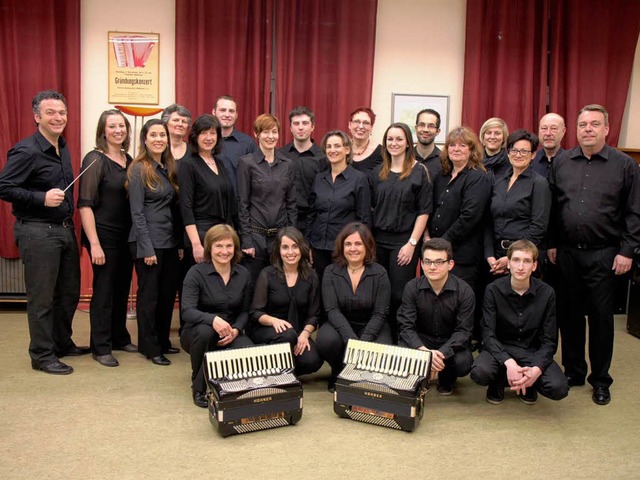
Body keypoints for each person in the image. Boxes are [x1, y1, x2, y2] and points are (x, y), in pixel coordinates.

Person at [548, 104, 640, 406]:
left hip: (605, 255)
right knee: (569, 316)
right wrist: (550, 244)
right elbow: (552, 208)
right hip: (567, 254)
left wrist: (628, 250)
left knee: (601, 320)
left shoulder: (625, 165)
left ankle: (600, 379)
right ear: (576, 129)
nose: (588, 129)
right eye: (583, 124)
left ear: (606, 129)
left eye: (594, 124)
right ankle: (575, 371)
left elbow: (634, 212)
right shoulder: (561, 162)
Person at [0, 90, 87, 375]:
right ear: (37, 116)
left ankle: (61, 343)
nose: (58, 117)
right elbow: (4, 186)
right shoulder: (26, 150)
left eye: (61, 112)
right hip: (37, 233)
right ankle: (41, 354)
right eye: (50, 113)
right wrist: (40, 198)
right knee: (42, 298)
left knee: (68, 293)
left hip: (63, 231)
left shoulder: (63, 147)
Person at [470, 240, 569, 405]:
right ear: (508, 264)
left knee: (559, 388)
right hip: (501, 349)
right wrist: (508, 363)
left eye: (527, 261)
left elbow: (549, 340)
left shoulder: (547, 293)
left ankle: (529, 382)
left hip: (531, 351)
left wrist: (536, 369)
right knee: (480, 372)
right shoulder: (493, 290)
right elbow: (487, 333)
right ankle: (499, 380)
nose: (521, 266)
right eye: (516, 260)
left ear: (534, 266)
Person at [78, 109, 137, 367]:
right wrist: (94, 243)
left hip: (127, 237)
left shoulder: (129, 159)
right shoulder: (95, 159)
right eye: (112, 126)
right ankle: (100, 346)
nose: (118, 130)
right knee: (103, 291)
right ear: (103, 131)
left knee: (122, 288)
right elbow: (85, 205)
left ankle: (118, 337)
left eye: (121, 126)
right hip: (103, 236)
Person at [181, 224, 254, 408]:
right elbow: (187, 311)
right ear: (209, 248)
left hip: (230, 332)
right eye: (219, 246)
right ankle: (199, 386)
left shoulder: (243, 274)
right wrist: (212, 320)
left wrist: (237, 330)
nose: (224, 251)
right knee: (206, 332)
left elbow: (246, 311)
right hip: (198, 333)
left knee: (247, 350)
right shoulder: (195, 273)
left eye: (229, 246)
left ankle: (226, 382)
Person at [127, 119, 181, 366]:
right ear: (145, 139)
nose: (159, 139)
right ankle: (149, 347)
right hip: (148, 243)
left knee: (167, 296)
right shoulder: (139, 168)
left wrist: (178, 243)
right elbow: (137, 213)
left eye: (163, 135)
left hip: (168, 242)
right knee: (150, 297)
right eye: (154, 135)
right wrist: (146, 248)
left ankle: (161, 340)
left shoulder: (166, 167)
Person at [371, 122, 431, 340]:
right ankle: (381, 337)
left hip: (404, 243)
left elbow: (423, 212)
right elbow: (371, 208)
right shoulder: (377, 172)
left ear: (408, 143)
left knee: (398, 294)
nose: (393, 143)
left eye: (399, 139)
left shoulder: (419, 172)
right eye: (390, 139)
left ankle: (400, 339)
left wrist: (412, 244)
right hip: (378, 242)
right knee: (379, 294)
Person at [316, 222, 392, 391]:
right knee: (325, 341)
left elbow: (380, 313)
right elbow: (331, 310)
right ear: (341, 247)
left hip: (372, 324)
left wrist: (362, 344)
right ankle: (338, 371)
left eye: (358, 243)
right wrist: (352, 340)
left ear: (368, 246)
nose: (353, 249)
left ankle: (362, 374)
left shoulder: (380, 273)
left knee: (383, 349)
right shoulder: (330, 271)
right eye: (348, 244)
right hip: (341, 323)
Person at [397, 238, 474, 395]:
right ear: (422, 264)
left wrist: (441, 353)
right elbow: (406, 326)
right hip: (422, 341)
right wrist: (424, 351)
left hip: (449, 342)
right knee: (400, 355)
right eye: (428, 261)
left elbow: (463, 331)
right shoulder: (412, 287)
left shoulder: (465, 291)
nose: (432, 267)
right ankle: (420, 373)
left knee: (463, 362)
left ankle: (446, 378)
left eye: (439, 262)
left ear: (450, 264)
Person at [249, 227, 323, 376]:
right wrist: (273, 321)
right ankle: (280, 373)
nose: (290, 252)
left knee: (313, 360)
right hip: (266, 330)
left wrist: (305, 334)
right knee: (287, 335)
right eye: (285, 247)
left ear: (301, 248)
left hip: (296, 332)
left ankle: (273, 370)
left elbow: (314, 314)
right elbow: (255, 312)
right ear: (278, 250)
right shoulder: (267, 274)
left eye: (295, 247)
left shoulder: (311, 276)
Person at [428, 127, 491, 291]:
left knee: (459, 300)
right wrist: (429, 238)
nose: (456, 149)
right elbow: (431, 209)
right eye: (452, 145)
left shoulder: (477, 177)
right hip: (437, 252)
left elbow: (470, 216)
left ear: (471, 151)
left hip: (463, 256)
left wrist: (442, 242)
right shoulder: (441, 177)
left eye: (463, 145)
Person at [237, 114, 297, 282]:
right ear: (256, 134)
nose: (270, 137)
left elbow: (291, 203)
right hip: (255, 237)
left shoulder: (288, 164)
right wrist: (246, 240)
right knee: (253, 284)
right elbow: (242, 204)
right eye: (265, 132)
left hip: (280, 237)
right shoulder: (246, 163)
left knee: (278, 284)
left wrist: (291, 236)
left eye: (274, 132)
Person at [484, 130, 551, 277]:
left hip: (523, 259)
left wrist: (511, 258)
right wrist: (489, 255)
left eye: (524, 151)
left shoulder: (539, 183)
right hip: (495, 257)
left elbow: (538, 227)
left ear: (533, 154)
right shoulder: (500, 181)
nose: (518, 155)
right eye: (514, 150)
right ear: (508, 152)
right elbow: (489, 221)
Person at [306, 130, 371, 281]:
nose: (332, 150)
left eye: (337, 146)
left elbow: (364, 219)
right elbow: (312, 213)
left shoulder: (359, 179)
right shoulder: (319, 178)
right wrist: (308, 244)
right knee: (320, 288)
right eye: (329, 147)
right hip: (318, 246)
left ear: (347, 149)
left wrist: (360, 247)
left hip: (345, 248)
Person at [178, 114, 237, 266]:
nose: (208, 137)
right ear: (195, 136)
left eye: (212, 133)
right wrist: (196, 245)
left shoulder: (220, 162)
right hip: (201, 236)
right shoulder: (188, 164)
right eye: (203, 133)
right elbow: (186, 206)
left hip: (222, 235)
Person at [280, 106, 327, 232]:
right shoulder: (280, 155)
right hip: (284, 219)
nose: (300, 127)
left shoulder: (323, 157)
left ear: (312, 127)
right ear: (290, 128)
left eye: (305, 123)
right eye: (296, 123)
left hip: (313, 220)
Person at [212, 95, 258, 191]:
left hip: (238, 204)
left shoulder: (247, 143)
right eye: (223, 110)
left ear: (236, 115)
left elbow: (256, 178)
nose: (227, 114)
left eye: (231, 111)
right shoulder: (205, 142)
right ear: (214, 112)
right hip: (211, 203)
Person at [348, 107, 382, 175]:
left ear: (371, 127)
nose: (361, 126)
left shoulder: (382, 153)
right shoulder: (341, 149)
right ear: (350, 125)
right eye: (357, 122)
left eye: (366, 123)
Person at [532, 113, 566, 179]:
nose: (548, 133)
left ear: (563, 131)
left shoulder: (571, 163)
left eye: (554, 128)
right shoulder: (529, 161)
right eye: (544, 128)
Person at [414, 108, 442, 180]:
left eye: (431, 126)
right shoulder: (405, 157)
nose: (425, 130)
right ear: (416, 128)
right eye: (422, 125)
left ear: (437, 131)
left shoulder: (445, 161)